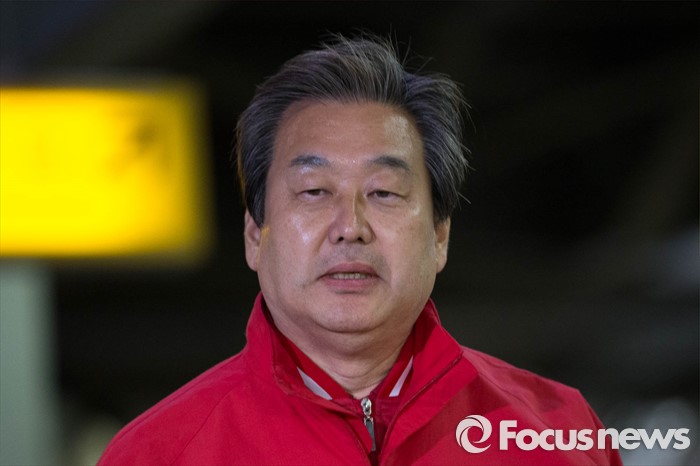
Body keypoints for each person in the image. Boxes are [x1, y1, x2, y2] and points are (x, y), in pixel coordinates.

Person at [99, 35, 622, 465]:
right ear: (256, 235)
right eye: (314, 191)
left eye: (384, 192)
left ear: (440, 235)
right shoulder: (156, 454)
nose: (350, 227)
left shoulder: (558, 434)